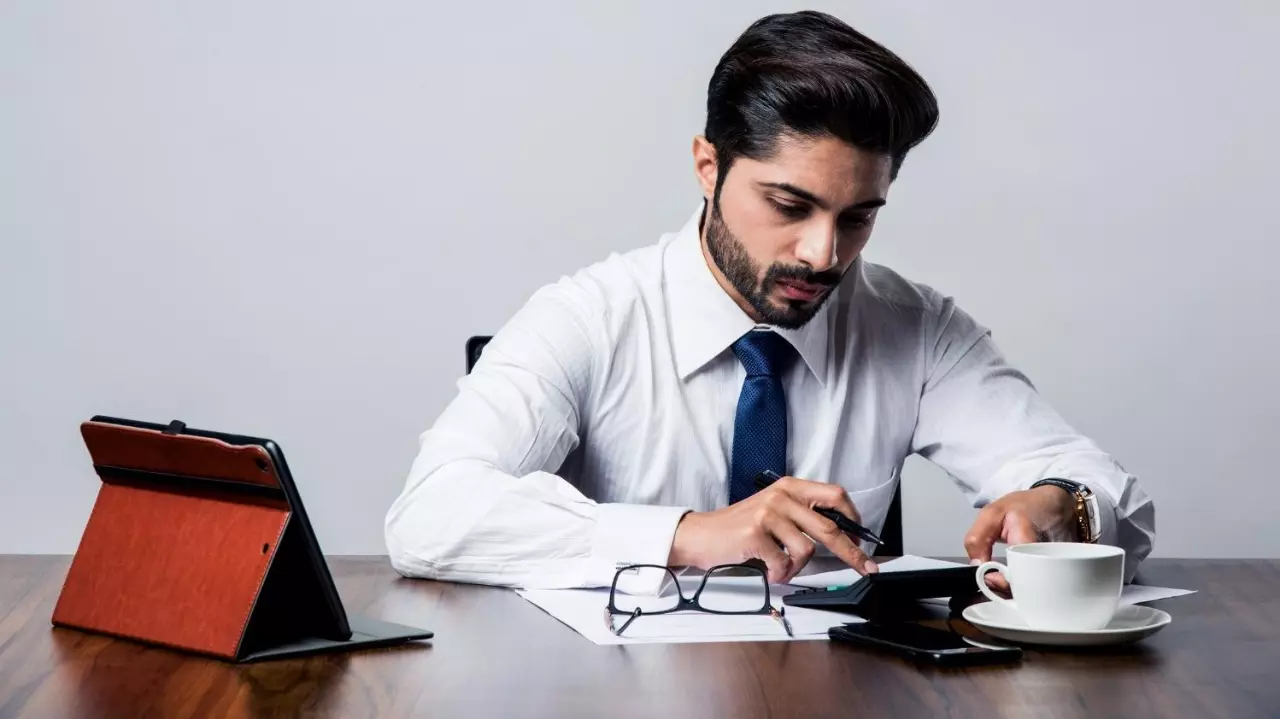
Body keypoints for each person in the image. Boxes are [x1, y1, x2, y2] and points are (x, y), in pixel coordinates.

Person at [384, 10, 1155, 595]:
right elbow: (430, 514)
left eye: (859, 216)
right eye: (789, 204)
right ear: (707, 166)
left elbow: (1099, 482)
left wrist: (1061, 506)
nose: (824, 254)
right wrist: (689, 534)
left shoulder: (914, 329)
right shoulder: (587, 318)